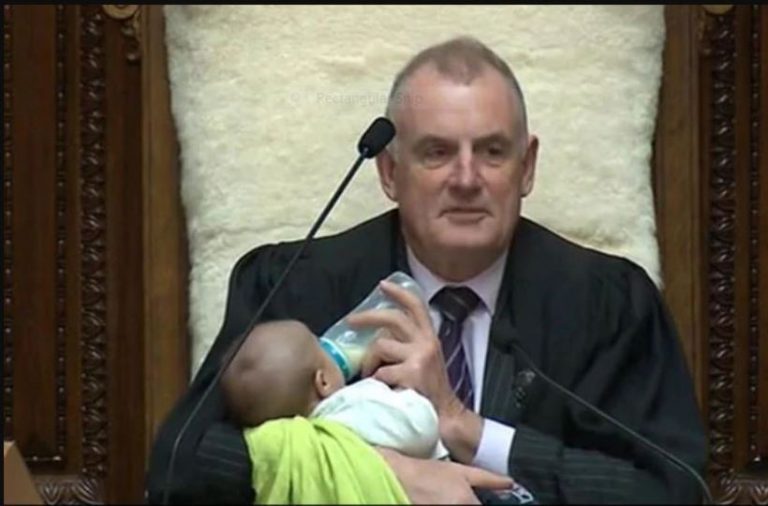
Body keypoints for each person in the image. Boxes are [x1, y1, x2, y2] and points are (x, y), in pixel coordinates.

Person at [146, 36, 707, 504]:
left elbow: (677, 489)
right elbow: (181, 464)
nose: (466, 178)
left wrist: (465, 426)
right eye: (437, 152)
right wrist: (381, 474)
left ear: (527, 166)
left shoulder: (608, 303)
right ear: (390, 171)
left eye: (491, 151)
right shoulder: (294, 284)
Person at [220, 319, 451, 461]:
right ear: (323, 383)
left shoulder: (288, 453)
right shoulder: (355, 406)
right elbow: (423, 428)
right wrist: (403, 391)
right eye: (320, 345)